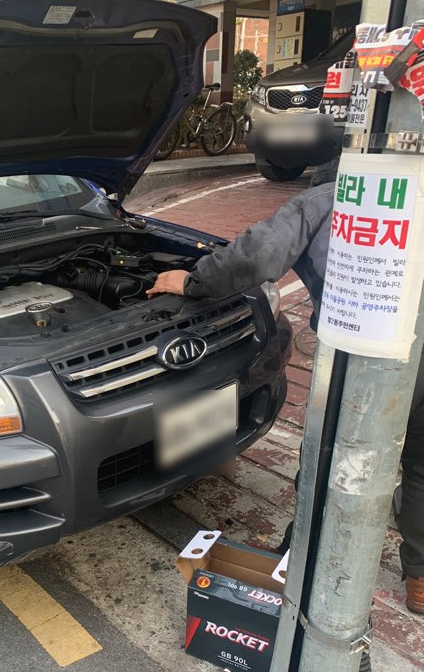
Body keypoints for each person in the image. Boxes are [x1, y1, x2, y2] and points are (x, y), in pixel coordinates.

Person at [146, 177, 424, 615]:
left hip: (369, 365)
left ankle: (298, 563)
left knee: (331, 463)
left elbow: (257, 254)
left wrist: (192, 282)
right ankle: (420, 581)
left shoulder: (334, 196)